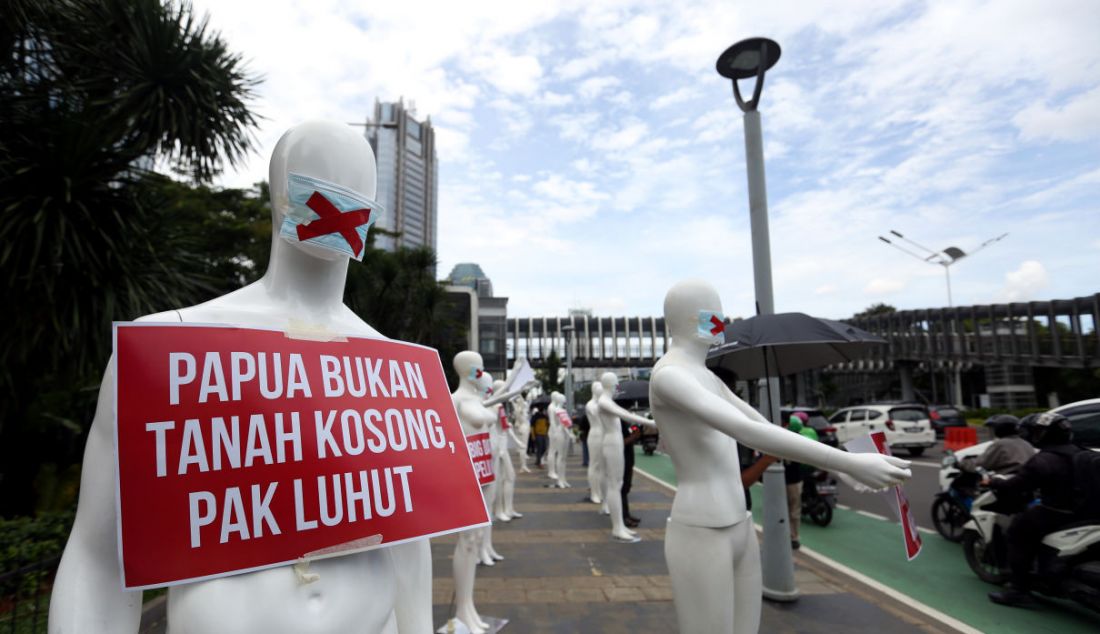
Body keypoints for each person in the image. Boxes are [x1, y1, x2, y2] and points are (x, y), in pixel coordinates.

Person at [987, 412, 1082, 607]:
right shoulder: (1082, 452)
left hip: (1058, 512)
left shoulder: (1043, 460)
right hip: (1086, 513)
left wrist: (994, 482)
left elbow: (1017, 485)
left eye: (1036, 432)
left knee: (1017, 531)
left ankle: (1018, 590)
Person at [622, 420, 642, 527]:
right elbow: (620, 442)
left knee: (626, 488)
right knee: (622, 489)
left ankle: (626, 515)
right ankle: (623, 517)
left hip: (628, 458)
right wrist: (634, 436)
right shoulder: (618, 421)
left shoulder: (626, 421)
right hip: (622, 458)